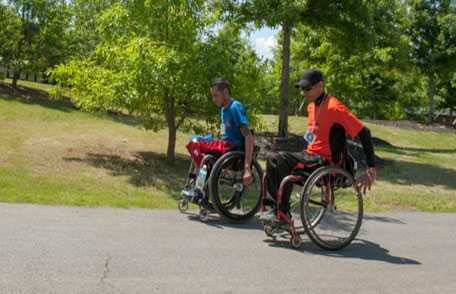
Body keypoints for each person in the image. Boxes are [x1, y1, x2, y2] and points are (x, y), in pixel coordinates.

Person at [258, 69, 377, 223]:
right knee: (273, 158)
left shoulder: (335, 107)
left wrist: (371, 166)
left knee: (280, 159)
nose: (303, 92)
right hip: (311, 156)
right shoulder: (312, 107)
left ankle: (282, 213)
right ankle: (275, 209)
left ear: (320, 86)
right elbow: (313, 135)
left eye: (307, 88)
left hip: (325, 161)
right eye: (302, 89)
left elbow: (364, 132)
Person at [182, 77, 254, 201]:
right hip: (223, 144)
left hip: (231, 147)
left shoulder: (235, 107)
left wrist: (247, 167)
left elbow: (248, 136)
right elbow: (223, 133)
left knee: (194, 143)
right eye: (212, 96)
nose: (213, 99)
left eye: (216, 95)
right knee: (194, 140)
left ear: (225, 92)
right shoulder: (222, 109)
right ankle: (202, 180)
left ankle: (201, 186)